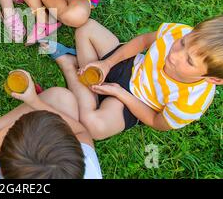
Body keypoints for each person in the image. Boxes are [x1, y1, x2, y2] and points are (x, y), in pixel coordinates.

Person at [45, 15, 223, 140]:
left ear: (213, 79)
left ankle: (70, 66)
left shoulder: (193, 102)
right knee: (86, 28)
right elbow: (144, 42)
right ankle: (89, 84)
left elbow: (156, 122)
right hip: (130, 66)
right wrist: (107, 64)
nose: (174, 54)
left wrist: (120, 93)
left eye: (189, 61)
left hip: (135, 102)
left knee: (94, 127)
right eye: (182, 43)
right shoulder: (180, 31)